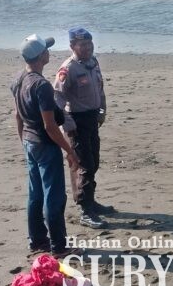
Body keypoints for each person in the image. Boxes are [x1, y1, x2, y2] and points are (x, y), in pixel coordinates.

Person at [10, 34, 79, 257]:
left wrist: (23, 140)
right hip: (45, 145)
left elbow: (18, 115)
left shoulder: (19, 79)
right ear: (41, 56)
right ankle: (59, 246)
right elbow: (50, 126)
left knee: (35, 193)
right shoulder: (41, 86)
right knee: (54, 196)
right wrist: (69, 150)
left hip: (30, 142)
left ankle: (38, 240)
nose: (49, 52)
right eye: (46, 50)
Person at [54, 27, 114, 229]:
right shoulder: (68, 69)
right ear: (72, 46)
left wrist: (102, 110)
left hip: (92, 118)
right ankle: (85, 210)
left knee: (94, 162)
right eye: (83, 45)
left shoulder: (93, 62)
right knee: (83, 165)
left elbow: (100, 89)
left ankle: (91, 201)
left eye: (90, 44)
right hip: (76, 121)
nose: (88, 48)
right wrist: (67, 123)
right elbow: (57, 99)